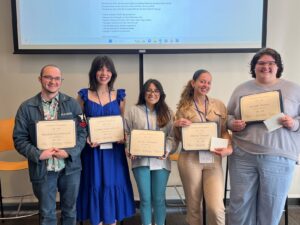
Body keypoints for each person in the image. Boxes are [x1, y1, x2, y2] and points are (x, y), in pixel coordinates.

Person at [227, 48, 300, 225]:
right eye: (261, 63)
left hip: (279, 156)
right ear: (254, 67)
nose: (265, 66)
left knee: (271, 206)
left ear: (278, 67)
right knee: (239, 205)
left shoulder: (293, 89)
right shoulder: (241, 89)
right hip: (243, 155)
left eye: (270, 63)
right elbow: (227, 116)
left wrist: (294, 123)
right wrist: (232, 124)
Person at [13, 65, 87, 225]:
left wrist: (69, 152)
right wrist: (38, 154)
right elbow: (19, 138)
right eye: (48, 77)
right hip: (43, 169)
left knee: (70, 210)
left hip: (70, 168)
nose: (52, 81)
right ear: (40, 79)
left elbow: (83, 130)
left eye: (57, 78)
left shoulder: (74, 105)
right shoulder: (25, 108)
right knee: (47, 214)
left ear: (61, 81)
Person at [76, 56, 135, 225]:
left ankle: (112, 220)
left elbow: (121, 122)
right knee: (95, 183)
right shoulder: (83, 95)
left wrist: (123, 136)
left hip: (114, 153)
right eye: (100, 69)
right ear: (94, 72)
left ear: (112, 73)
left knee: (112, 183)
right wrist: (86, 134)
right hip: (91, 151)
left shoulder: (120, 96)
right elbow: (79, 121)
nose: (104, 73)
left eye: (108, 69)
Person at [173, 69, 232, 225]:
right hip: (190, 160)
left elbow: (225, 131)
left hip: (213, 160)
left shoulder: (219, 105)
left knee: (216, 208)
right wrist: (177, 125)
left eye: (208, 82)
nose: (205, 85)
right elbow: (178, 138)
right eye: (202, 81)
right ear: (193, 83)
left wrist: (229, 148)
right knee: (194, 208)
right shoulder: (183, 108)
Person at [125, 79, 175, 225]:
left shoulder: (168, 112)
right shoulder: (133, 111)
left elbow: (172, 137)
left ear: (161, 93)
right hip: (140, 161)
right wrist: (130, 148)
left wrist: (166, 150)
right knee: (145, 199)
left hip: (161, 162)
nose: (152, 93)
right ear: (144, 93)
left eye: (156, 90)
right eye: (149, 90)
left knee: (159, 199)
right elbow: (126, 133)